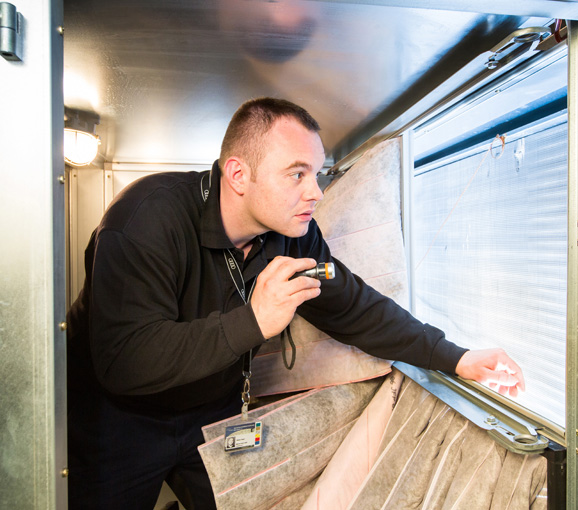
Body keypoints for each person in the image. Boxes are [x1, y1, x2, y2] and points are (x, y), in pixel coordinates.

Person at [66, 97, 524, 509]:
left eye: (318, 173)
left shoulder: (292, 235)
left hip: (209, 413)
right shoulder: (144, 220)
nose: (316, 192)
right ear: (239, 174)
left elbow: (353, 306)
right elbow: (124, 360)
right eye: (297, 174)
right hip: (116, 420)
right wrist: (253, 322)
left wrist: (455, 357)